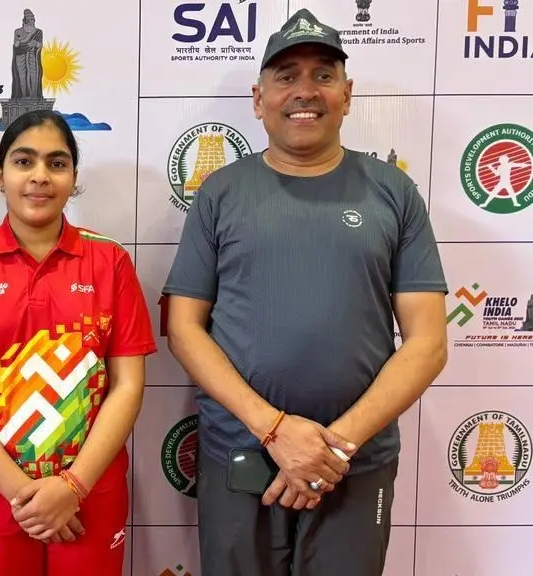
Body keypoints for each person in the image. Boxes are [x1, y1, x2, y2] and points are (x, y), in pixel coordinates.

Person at [162, 9, 448, 576]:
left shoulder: (393, 192)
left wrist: (333, 447)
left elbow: (427, 343)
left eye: (322, 74)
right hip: (240, 457)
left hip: (356, 465)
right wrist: (275, 431)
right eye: (286, 75)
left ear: (347, 93)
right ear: (258, 95)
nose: (304, 91)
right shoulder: (220, 193)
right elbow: (184, 328)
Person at [0, 109, 156, 575]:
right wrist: (21, 494)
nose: (40, 177)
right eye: (24, 162)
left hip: (90, 494)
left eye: (57, 163)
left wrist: (72, 487)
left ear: (73, 177)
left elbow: (128, 386)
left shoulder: (111, 263)